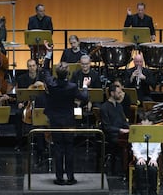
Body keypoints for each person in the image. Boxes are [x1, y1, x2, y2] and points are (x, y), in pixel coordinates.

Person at [41, 40, 90, 185]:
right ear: (68, 74)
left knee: (58, 148)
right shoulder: (72, 86)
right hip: (68, 120)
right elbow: (85, 99)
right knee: (69, 148)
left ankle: (59, 178)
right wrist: (85, 86)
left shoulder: (51, 83)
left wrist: (49, 53)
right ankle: (70, 177)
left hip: (55, 120)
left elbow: (44, 70)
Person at [14, 59, 45, 153]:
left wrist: (43, 84)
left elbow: (48, 91)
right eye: (29, 66)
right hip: (26, 105)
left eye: (33, 66)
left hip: (40, 104)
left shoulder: (42, 77)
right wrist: (19, 102)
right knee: (18, 114)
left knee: (43, 115)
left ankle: (43, 145)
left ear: (36, 67)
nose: (32, 68)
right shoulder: (21, 78)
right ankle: (19, 143)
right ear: (27, 67)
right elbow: (19, 94)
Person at [100, 83, 130, 176]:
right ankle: (119, 169)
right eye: (118, 93)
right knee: (120, 143)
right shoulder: (104, 107)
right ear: (112, 93)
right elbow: (107, 127)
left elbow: (124, 121)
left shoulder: (119, 106)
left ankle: (128, 168)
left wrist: (130, 128)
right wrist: (120, 130)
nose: (121, 94)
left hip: (121, 133)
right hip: (111, 135)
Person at [131, 111, 161, 195]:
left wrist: (154, 159)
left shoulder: (156, 132)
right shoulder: (137, 131)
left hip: (151, 156)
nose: (142, 122)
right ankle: (139, 191)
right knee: (139, 167)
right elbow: (135, 147)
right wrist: (139, 157)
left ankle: (153, 191)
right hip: (141, 156)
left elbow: (158, 148)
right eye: (142, 120)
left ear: (151, 122)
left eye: (145, 120)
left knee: (153, 169)